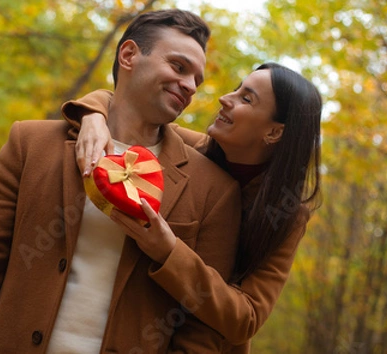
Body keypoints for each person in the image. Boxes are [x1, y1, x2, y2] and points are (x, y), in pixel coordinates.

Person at [0, 9, 243, 354]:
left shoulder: (213, 188)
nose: (190, 86)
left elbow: (200, 330)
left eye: (197, 80)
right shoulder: (30, 144)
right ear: (129, 55)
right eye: (179, 67)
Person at [62, 62, 322, 353]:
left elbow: (246, 319)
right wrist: (94, 117)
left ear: (274, 133)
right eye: (236, 89)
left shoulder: (286, 216)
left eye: (246, 99)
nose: (226, 98)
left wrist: (169, 252)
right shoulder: (185, 149)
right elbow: (121, 105)